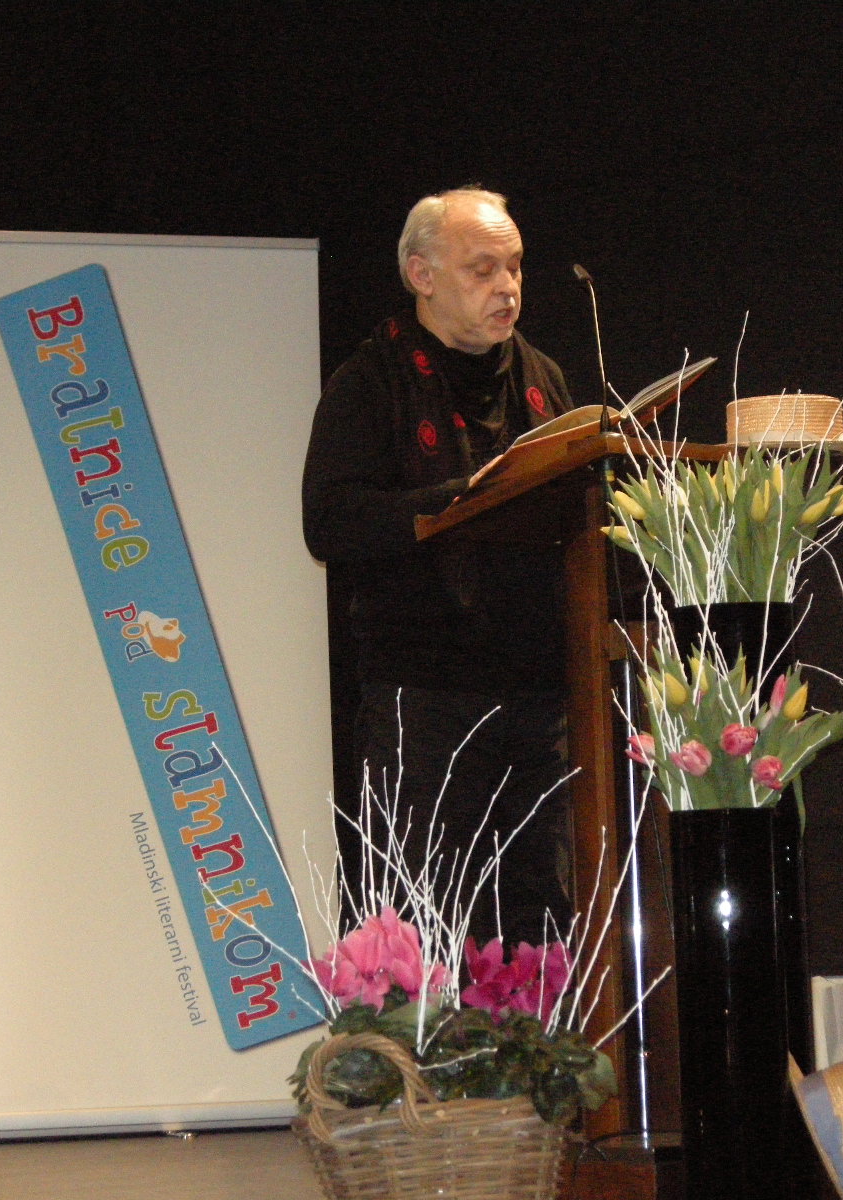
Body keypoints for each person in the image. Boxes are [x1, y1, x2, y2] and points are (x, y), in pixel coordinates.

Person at [302, 187, 574, 945]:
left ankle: (539, 1027)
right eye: (483, 269)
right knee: (427, 915)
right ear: (420, 275)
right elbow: (329, 521)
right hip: (424, 700)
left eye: (515, 267)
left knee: (537, 918)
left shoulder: (544, 379)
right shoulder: (370, 382)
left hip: (537, 698)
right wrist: (460, 502)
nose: (507, 287)